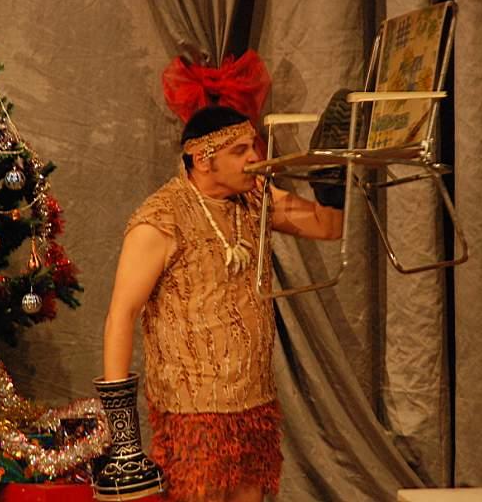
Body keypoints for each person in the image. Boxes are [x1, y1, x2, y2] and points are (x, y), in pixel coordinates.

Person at [101, 104, 344, 502]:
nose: (255, 158)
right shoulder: (160, 219)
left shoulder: (255, 197)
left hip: (255, 404)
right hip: (194, 413)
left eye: (254, 147)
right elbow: (120, 316)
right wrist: (123, 436)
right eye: (240, 151)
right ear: (203, 159)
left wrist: (332, 183)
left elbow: (327, 226)